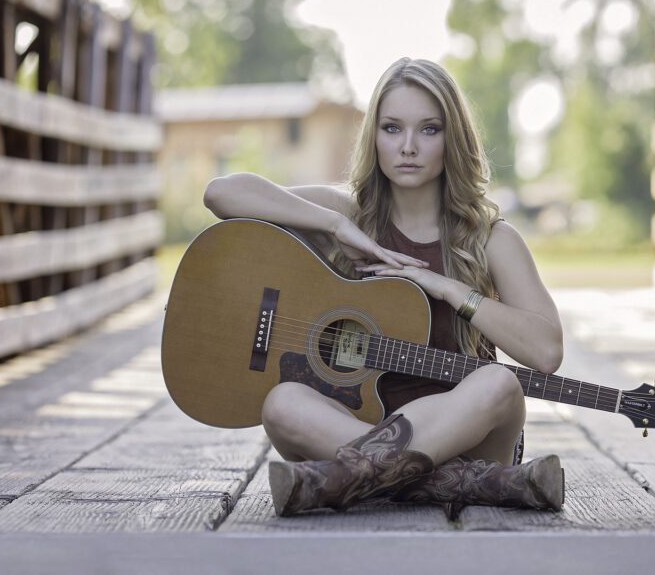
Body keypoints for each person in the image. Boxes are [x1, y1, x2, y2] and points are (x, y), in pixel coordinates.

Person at [203, 57, 565, 517]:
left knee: (498, 382)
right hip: (359, 426)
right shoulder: (351, 216)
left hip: (472, 438)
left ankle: (348, 479)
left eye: (429, 129)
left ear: (452, 137)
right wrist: (334, 224)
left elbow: (547, 352)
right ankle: (473, 485)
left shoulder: (492, 238)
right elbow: (222, 193)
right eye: (392, 128)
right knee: (281, 403)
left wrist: (452, 290)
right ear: (373, 136)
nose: (408, 146)